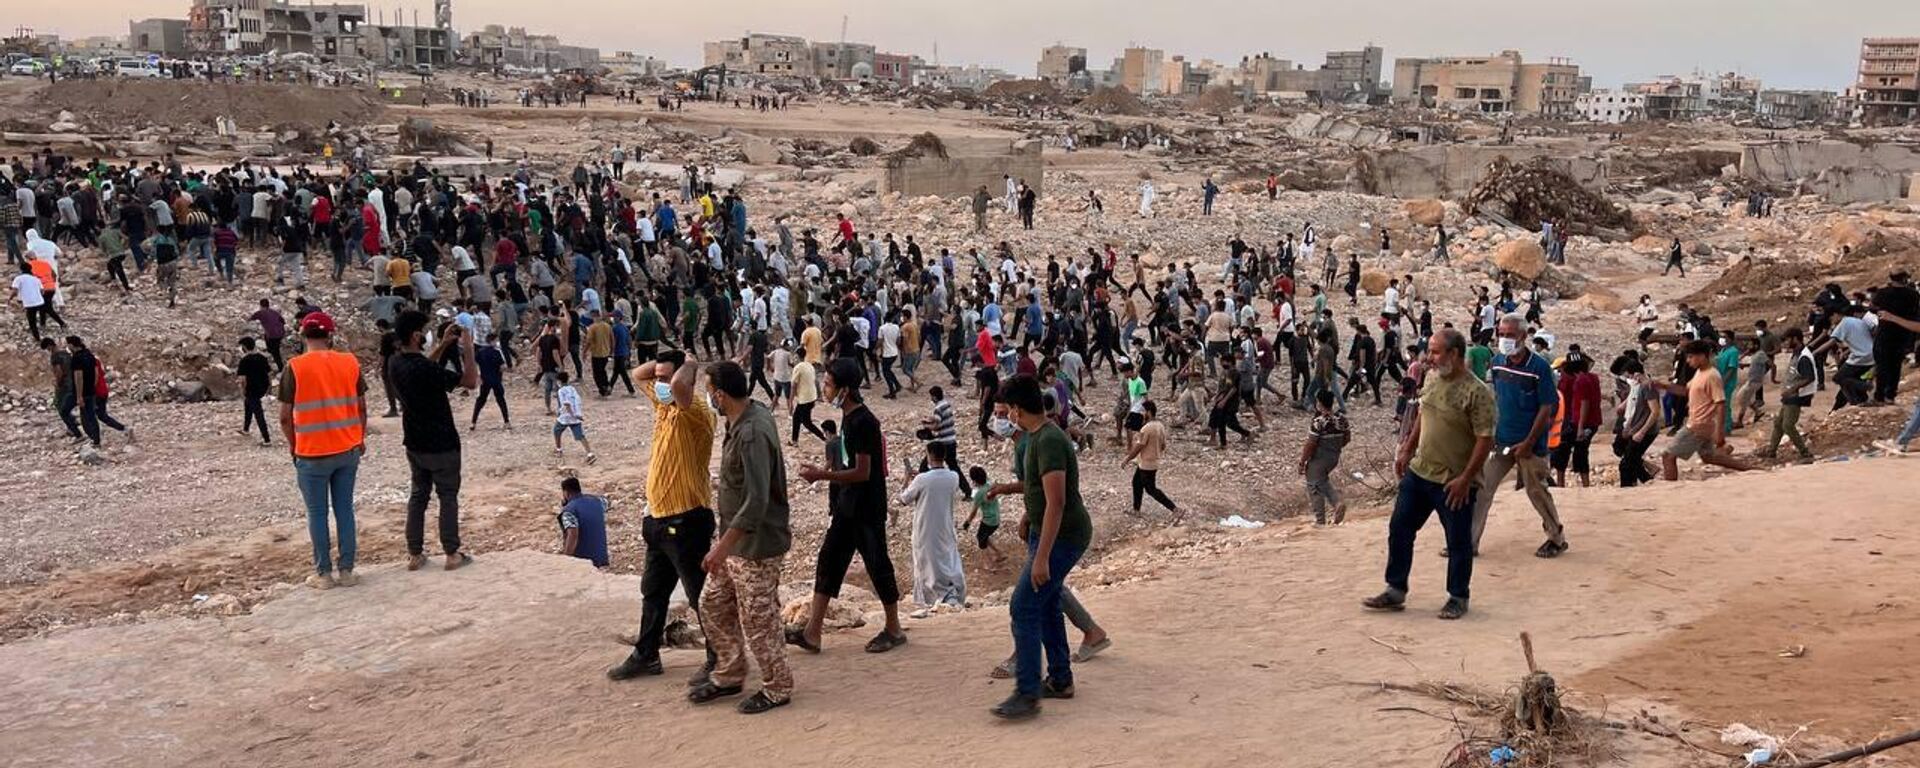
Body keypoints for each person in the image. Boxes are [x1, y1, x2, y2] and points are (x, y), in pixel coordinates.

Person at [1363, 329, 1494, 621]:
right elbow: (1424, 412)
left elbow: (1485, 439)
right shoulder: (1433, 378)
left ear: (1455, 354)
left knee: (1458, 541)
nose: (1429, 358)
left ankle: (1458, 596)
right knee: (1400, 528)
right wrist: (1407, 448)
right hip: (1420, 472)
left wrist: (1466, 478)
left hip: (1454, 480)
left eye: (1435, 352)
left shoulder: (1478, 392)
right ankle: (1395, 589)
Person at [609, 349, 720, 683]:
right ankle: (647, 654)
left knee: (699, 595)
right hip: (658, 518)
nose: (658, 384)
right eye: (659, 379)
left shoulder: (696, 411)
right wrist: (663, 366)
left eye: (665, 379)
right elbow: (637, 374)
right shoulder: (664, 404)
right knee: (653, 592)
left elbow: (683, 391)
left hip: (687, 519)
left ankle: (720, 658)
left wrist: (689, 365)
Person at [991, 374, 1095, 721]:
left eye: (1007, 410)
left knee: (1023, 606)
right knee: (1047, 603)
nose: (1006, 417)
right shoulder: (1037, 437)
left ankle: (1027, 692)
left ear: (1018, 409)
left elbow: (1057, 501)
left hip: (1063, 535)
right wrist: (1023, 510)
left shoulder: (1048, 440)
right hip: (1047, 532)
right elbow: (1038, 489)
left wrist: (1042, 558)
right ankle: (1060, 680)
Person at [692, 360, 794, 714]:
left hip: (756, 545)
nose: (709, 400)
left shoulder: (752, 432)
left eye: (709, 394)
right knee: (713, 603)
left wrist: (721, 547)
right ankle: (730, 672)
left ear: (720, 395)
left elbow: (756, 500)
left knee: (759, 619)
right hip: (737, 543)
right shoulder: (744, 417)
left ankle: (778, 686)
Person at [790, 359, 908, 654]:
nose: (824, 389)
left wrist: (821, 475)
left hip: (865, 509)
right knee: (828, 562)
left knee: (878, 564)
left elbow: (862, 472)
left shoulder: (863, 421)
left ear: (844, 389)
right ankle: (812, 632)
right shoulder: (850, 418)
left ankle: (894, 628)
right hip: (848, 506)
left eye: (828, 384)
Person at [278, 312, 367, 590]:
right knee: (344, 510)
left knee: (317, 513)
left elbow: (284, 416)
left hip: (311, 454)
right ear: (330, 335)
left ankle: (324, 574)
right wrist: (360, 437)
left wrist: (294, 445)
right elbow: (362, 406)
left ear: (303, 336)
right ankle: (348, 571)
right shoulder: (349, 362)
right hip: (347, 448)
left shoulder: (294, 367)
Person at [1466, 315, 1566, 559]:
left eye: (1510, 335)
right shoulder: (1498, 361)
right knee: (1482, 488)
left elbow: (1546, 408)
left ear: (1523, 337)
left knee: (1537, 491)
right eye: (1501, 334)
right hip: (1502, 440)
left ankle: (1556, 537)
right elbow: (1498, 398)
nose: (1504, 339)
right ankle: (1468, 542)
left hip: (1530, 445)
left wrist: (1530, 442)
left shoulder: (1539, 367)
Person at [388, 310, 479, 572]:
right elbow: (470, 382)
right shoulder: (426, 369)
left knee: (418, 497)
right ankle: (451, 553)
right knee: (447, 496)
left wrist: (443, 345)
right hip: (442, 443)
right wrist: (468, 348)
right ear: (417, 336)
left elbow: (422, 365)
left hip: (415, 442)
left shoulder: (397, 363)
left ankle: (415, 554)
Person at [1649, 340, 1759, 481]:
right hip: (1702, 424)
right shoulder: (1700, 373)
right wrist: (1663, 386)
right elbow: (1685, 391)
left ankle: (1671, 490)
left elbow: (1720, 403)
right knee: (1709, 457)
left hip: (1697, 425)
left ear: (1702, 356)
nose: (1688, 361)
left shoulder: (1712, 376)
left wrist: (1719, 433)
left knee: (1668, 456)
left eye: (1690, 357)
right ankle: (1754, 471)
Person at [898, 441, 966, 610]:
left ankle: (929, 599)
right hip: (945, 526)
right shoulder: (954, 476)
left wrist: (907, 480)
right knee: (946, 560)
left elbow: (904, 499)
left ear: (929, 455)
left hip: (925, 528)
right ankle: (950, 593)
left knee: (926, 563)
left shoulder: (922, 479)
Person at [1760, 328, 1815, 463]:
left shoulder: (1804, 357)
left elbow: (1809, 378)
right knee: (1778, 423)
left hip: (1797, 396)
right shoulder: (1797, 353)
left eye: (1786, 340)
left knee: (1788, 426)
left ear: (1795, 339)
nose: (1784, 343)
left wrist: (1792, 390)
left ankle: (1805, 453)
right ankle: (1771, 451)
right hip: (1791, 395)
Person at [1550, 351, 1603, 488]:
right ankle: (1585, 484)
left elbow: (1584, 403)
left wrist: (1580, 427)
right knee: (1580, 452)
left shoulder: (1577, 381)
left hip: (1577, 421)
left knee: (1562, 450)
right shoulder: (1593, 377)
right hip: (1589, 421)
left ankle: (1561, 483)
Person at [1120, 400, 1179, 518]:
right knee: (1136, 483)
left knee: (1151, 489)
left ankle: (1175, 509)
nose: (1142, 414)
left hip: (1147, 463)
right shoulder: (1160, 426)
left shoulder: (1146, 429)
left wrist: (1127, 459)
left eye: (1143, 412)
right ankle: (1136, 510)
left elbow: (1139, 447)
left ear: (1148, 412)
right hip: (1151, 461)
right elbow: (1163, 445)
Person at [1298, 389, 1349, 526]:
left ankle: (1320, 520)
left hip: (1320, 457)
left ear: (1319, 403)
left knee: (1314, 484)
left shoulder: (1319, 421)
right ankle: (1337, 503)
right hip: (1334, 456)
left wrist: (1303, 461)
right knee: (1322, 480)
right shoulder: (1341, 419)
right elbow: (1347, 438)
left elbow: (1311, 444)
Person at [67, 336, 129, 448]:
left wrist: (80, 395)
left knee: (91, 417)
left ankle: (96, 439)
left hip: (93, 392)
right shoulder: (91, 356)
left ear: (72, 345)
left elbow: (78, 377)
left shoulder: (77, 358)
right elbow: (97, 374)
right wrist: (92, 388)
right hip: (96, 391)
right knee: (97, 416)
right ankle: (118, 431)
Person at [557, 477, 610, 568]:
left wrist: (565, 560)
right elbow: (607, 502)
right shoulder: (598, 501)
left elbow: (573, 535)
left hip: (582, 561)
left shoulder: (569, 511)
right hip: (601, 558)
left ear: (566, 493)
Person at [551, 370, 598, 463]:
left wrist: (573, 415)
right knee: (580, 436)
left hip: (566, 416)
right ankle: (590, 453)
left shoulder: (561, 391)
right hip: (575, 415)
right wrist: (577, 414)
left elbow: (566, 404)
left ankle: (559, 450)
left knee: (556, 431)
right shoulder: (572, 389)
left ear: (559, 381)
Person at [236, 337, 274, 446]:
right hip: (263, 387)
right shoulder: (262, 358)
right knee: (248, 405)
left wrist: (242, 391)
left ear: (244, 347)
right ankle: (246, 429)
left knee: (258, 413)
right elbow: (269, 374)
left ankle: (267, 439)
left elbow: (242, 379)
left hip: (252, 389)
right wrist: (269, 387)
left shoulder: (244, 361)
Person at [962, 465, 1004, 562]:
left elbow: (973, 512)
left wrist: (967, 522)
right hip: (996, 519)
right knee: (984, 536)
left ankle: (989, 563)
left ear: (974, 480)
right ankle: (999, 553)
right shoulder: (990, 486)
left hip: (988, 521)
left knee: (981, 540)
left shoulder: (979, 494)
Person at [470, 332, 510, 430]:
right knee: (501, 400)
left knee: (480, 400)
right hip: (496, 379)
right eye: (496, 340)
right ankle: (506, 422)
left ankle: (473, 422)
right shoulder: (497, 352)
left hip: (485, 379)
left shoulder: (480, 351)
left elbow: (475, 363)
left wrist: (478, 376)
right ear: (493, 340)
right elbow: (503, 367)